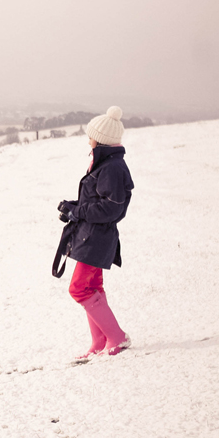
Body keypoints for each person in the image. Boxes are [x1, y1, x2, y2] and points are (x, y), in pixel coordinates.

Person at [57, 106, 134, 359]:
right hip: (91, 235)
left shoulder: (111, 167)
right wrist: (73, 208)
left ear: (101, 140)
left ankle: (117, 337)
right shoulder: (105, 163)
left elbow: (111, 208)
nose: (88, 139)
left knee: (79, 288)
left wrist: (78, 211)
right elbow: (98, 201)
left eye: (91, 135)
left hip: (97, 238)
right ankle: (100, 340)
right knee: (93, 286)